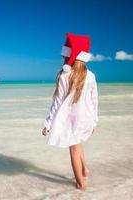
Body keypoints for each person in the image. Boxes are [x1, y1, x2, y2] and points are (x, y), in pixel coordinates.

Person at [42, 32, 99, 190]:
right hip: (85, 117)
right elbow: (95, 100)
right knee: (78, 144)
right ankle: (85, 170)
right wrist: (94, 121)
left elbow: (57, 101)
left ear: (67, 56)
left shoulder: (64, 75)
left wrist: (48, 123)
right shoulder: (91, 76)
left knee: (73, 150)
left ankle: (81, 185)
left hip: (68, 119)